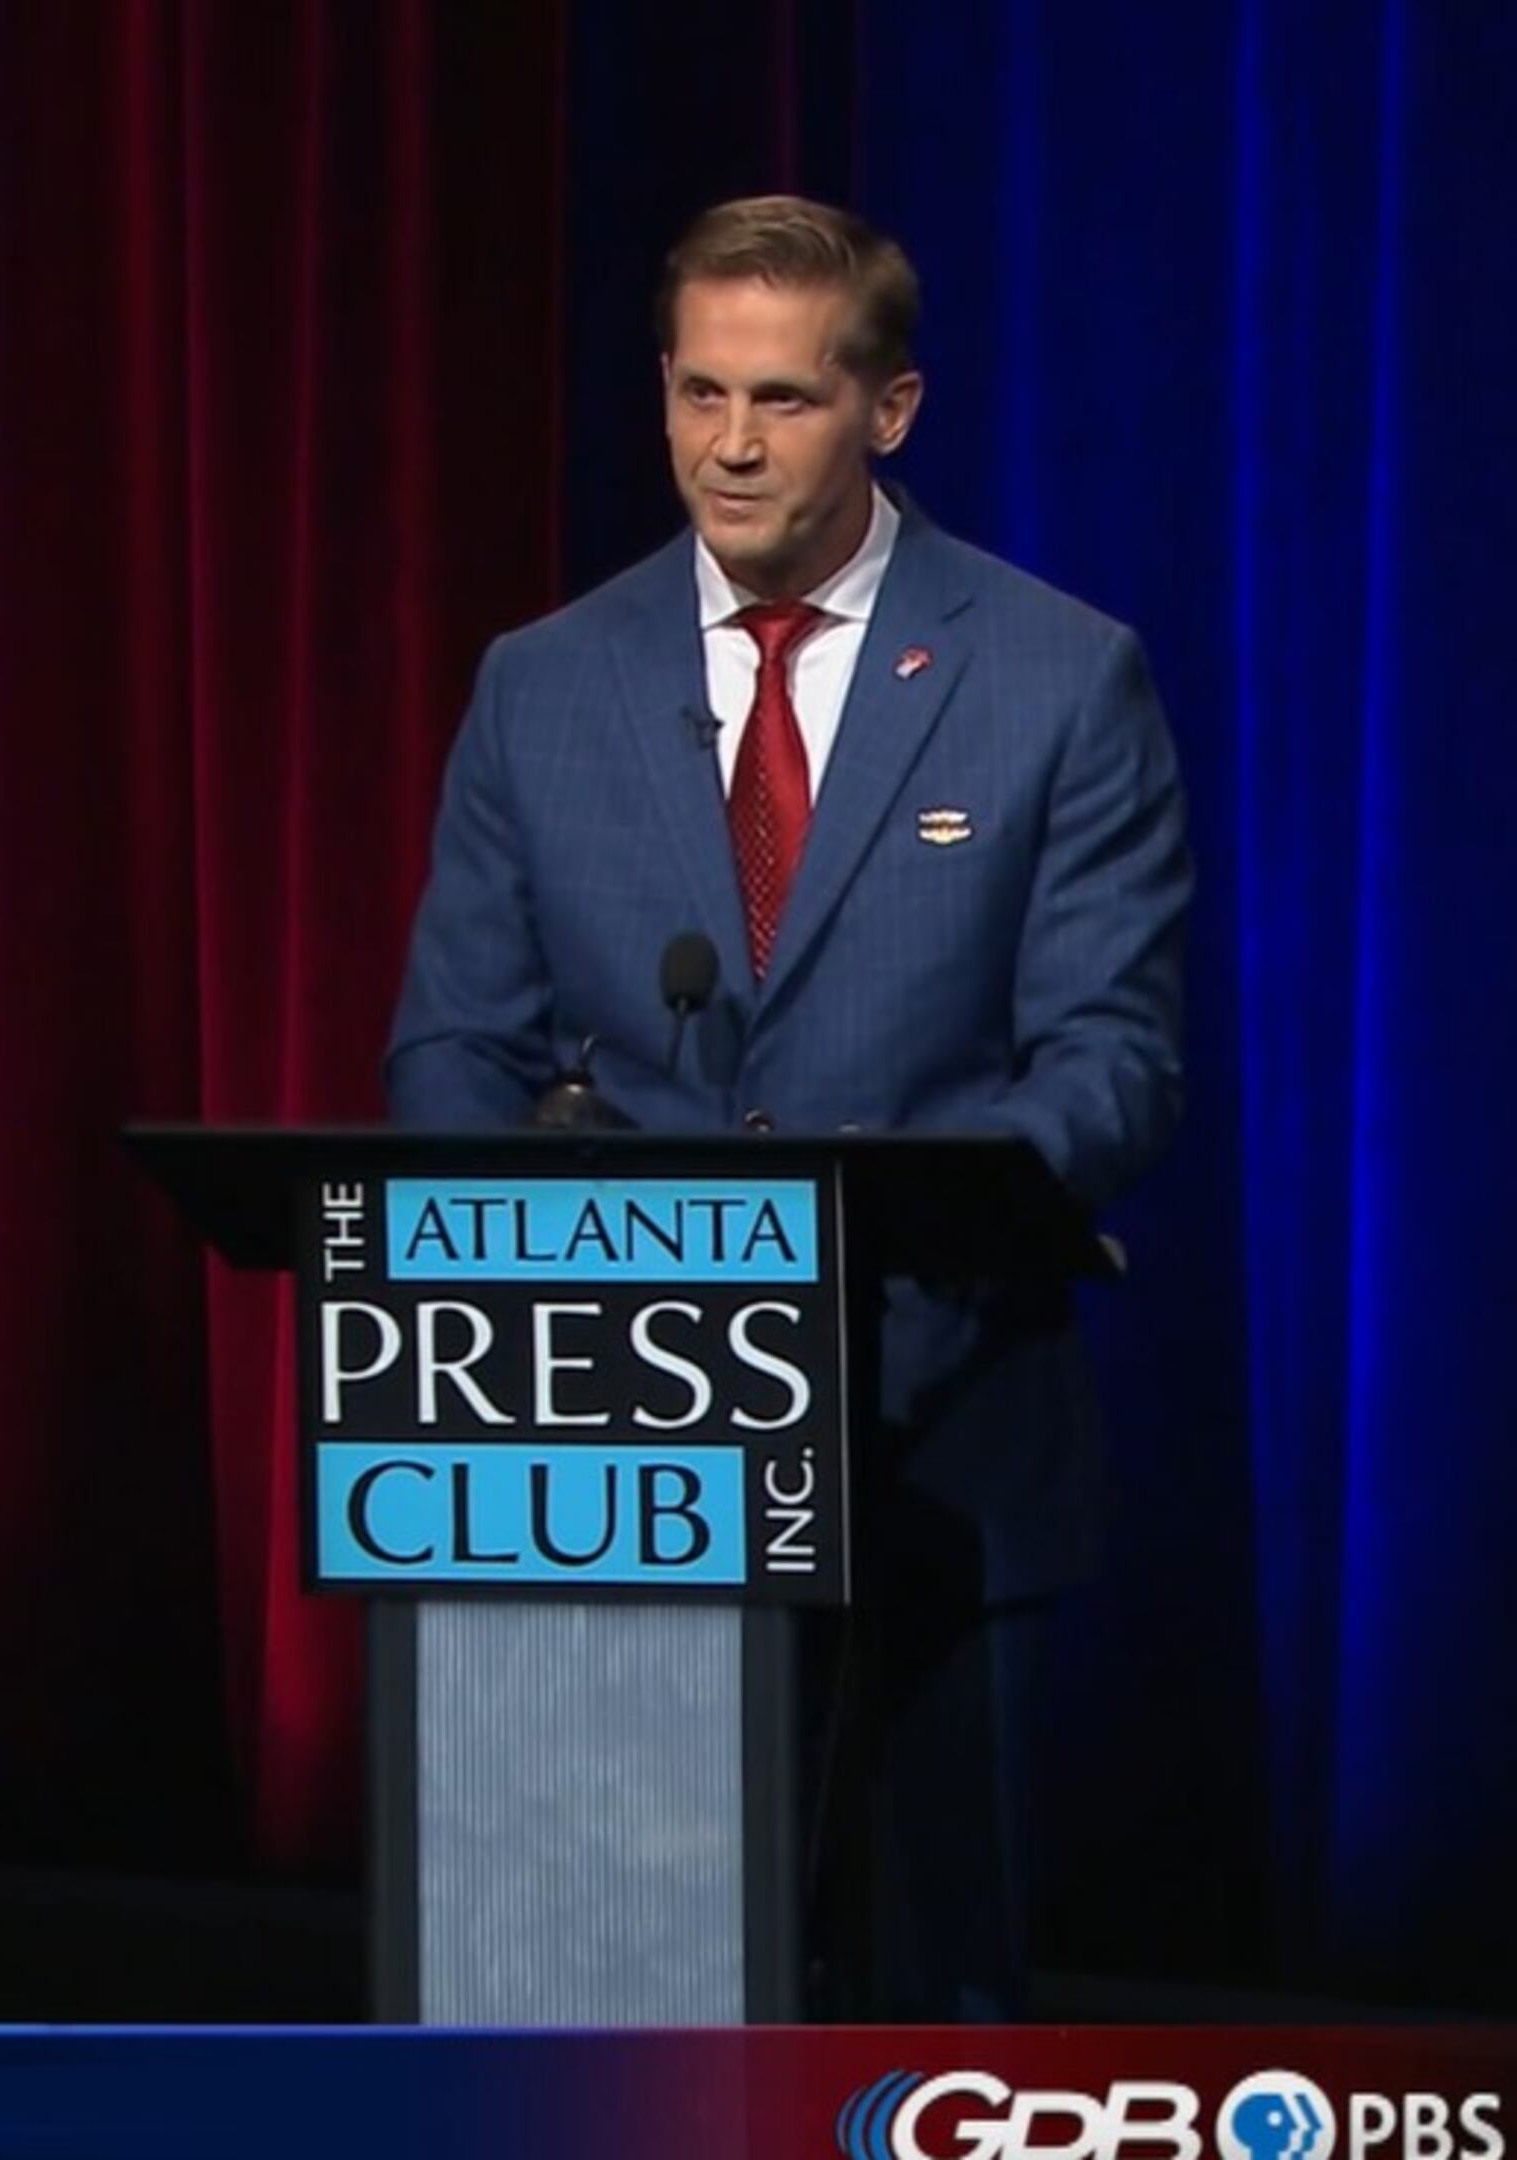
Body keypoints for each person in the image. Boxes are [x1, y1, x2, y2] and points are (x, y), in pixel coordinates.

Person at [383, 195, 1192, 2018]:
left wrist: (892, 1230)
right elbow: (453, 1046)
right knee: (615, 2012)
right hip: (620, 1448)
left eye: (782, 401)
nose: (728, 448)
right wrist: (553, 1284)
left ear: (888, 410)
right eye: (694, 395)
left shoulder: (1059, 678)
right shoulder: (546, 684)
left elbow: (1112, 1061)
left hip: (934, 1436)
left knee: (926, 2012)